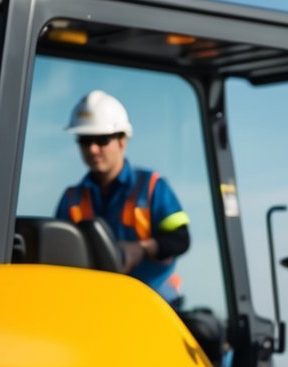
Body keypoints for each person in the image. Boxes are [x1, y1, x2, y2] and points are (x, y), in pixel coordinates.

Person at [56, 90, 191, 305]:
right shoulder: (72, 198)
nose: (92, 149)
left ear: (122, 141)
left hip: (154, 302)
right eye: (84, 140)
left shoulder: (152, 186)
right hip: (94, 304)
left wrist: (141, 249)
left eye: (101, 140)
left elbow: (180, 239)